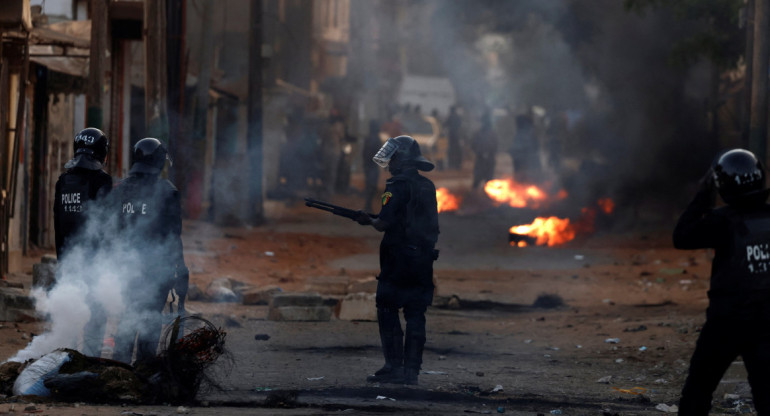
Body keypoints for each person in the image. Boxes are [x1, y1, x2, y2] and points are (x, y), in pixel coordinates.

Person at [673, 148, 770, 415]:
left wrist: (705, 193)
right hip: (766, 322)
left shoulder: (721, 222)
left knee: (698, 391)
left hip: (726, 323)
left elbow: (682, 236)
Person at [355, 135, 439, 385]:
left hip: (398, 259)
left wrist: (366, 219)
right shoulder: (427, 186)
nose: (389, 164)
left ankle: (393, 367)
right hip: (423, 259)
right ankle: (411, 372)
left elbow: (383, 223)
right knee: (416, 313)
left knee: (387, 308)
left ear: (401, 159)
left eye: (392, 158)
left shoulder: (396, 185)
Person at [111, 138, 189, 364]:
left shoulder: (121, 190)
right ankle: (144, 370)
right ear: (159, 162)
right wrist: (180, 269)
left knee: (127, 316)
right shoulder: (168, 192)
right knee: (151, 319)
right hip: (157, 270)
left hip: (126, 268)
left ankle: (120, 368)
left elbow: (111, 230)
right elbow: (174, 237)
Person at [53, 127, 113, 357]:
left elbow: (58, 228)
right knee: (95, 319)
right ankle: (87, 365)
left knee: (68, 318)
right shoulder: (102, 181)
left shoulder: (63, 181)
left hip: (68, 262)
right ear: (101, 153)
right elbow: (109, 227)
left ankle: (63, 363)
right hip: (95, 265)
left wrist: (62, 263)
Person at [471, 110, 498, 189]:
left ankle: (486, 198)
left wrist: (486, 153)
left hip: (487, 159)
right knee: (479, 180)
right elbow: (473, 146)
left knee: (488, 182)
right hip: (483, 159)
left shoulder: (484, 133)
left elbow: (495, 146)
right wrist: (481, 153)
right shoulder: (481, 134)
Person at [362, 120, 382, 212]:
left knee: (370, 185)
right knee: (372, 186)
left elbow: (364, 153)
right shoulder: (375, 139)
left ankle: (368, 205)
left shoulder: (369, 138)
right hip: (372, 165)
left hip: (369, 165)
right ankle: (368, 205)